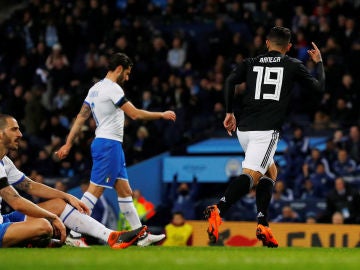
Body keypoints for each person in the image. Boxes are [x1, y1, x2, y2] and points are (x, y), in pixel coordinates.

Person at [204, 26, 325, 248]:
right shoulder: (292, 64)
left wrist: (229, 112)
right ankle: (219, 208)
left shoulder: (250, 63)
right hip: (266, 132)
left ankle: (263, 223)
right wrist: (319, 63)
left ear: (267, 43)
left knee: (271, 171)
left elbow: (230, 81)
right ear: (288, 47)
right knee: (252, 175)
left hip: (244, 130)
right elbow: (318, 89)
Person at [56, 52, 176, 247]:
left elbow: (80, 117)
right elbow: (135, 115)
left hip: (109, 145)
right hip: (108, 145)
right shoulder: (113, 89)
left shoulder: (95, 89)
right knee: (95, 191)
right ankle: (74, 233)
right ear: (119, 69)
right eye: (127, 73)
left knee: (125, 191)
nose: (127, 78)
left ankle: (140, 235)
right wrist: (161, 115)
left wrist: (68, 143)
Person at [0, 114, 146, 248]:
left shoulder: (5, 162)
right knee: (44, 226)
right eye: (14, 130)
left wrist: (67, 196)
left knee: (58, 204)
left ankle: (112, 237)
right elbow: (16, 202)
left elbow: (30, 186)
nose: (20, 134)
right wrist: (52, 217)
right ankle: (35, 241)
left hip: (3, 220)